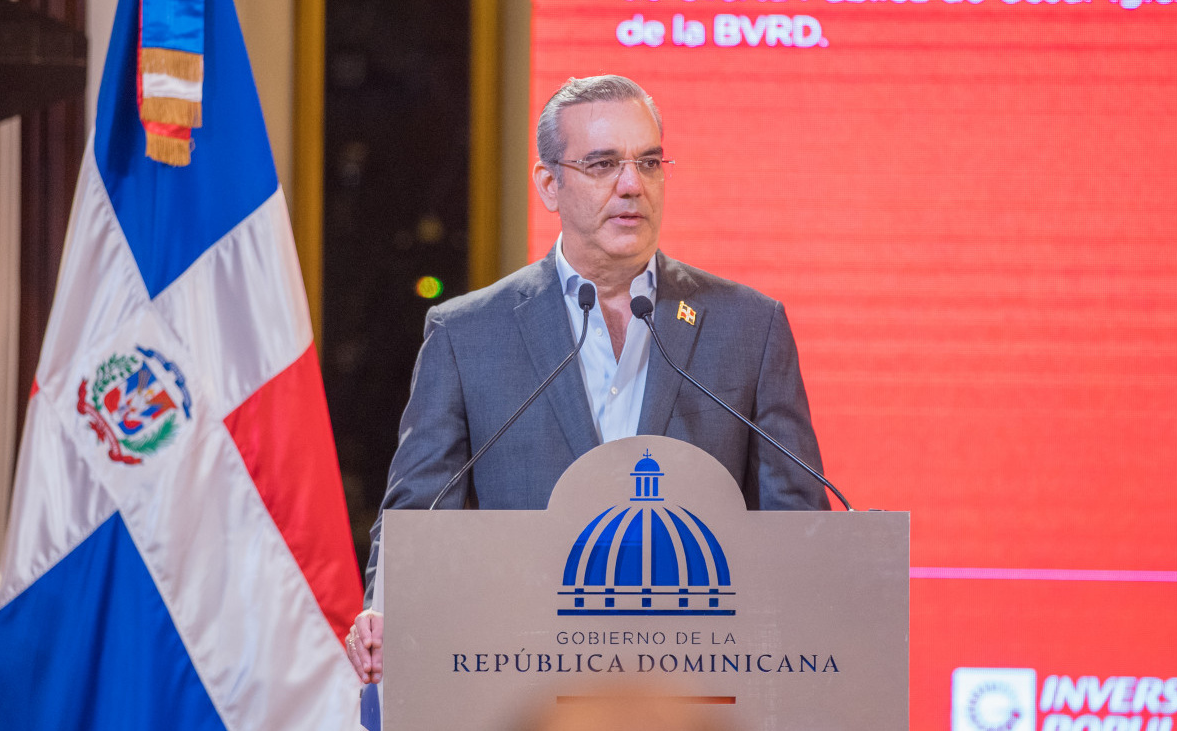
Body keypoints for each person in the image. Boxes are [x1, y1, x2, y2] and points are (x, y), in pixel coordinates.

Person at [345, 75, 827, 684]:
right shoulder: (467, 334)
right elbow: (418, 512)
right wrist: (385, 611)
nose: (632, 185)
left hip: (701, 685)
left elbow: (798, 525)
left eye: (648, 162)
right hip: (520, 682)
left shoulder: (749, 326)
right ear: (550, 185)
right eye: (602, 164)